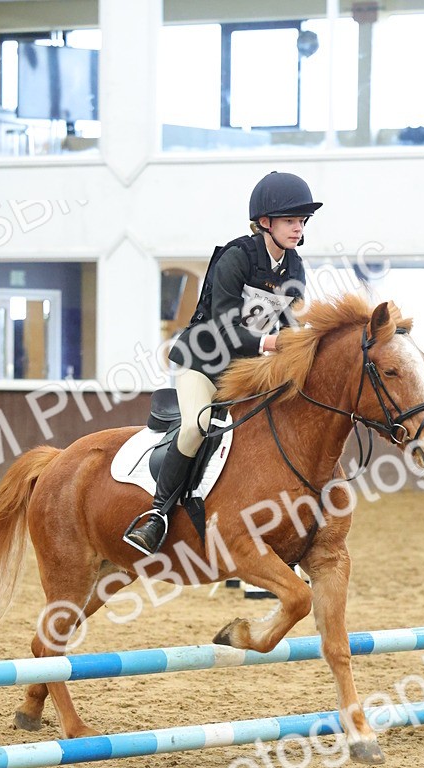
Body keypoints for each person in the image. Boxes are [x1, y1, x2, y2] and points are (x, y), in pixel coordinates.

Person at [124, 170, 322, 554]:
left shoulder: (294, 267)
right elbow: (223, 327)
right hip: (203, 362)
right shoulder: (236, 257)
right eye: (290, 221)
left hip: (246, 368)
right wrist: (272, 341)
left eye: (302, 221)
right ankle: (157, 515)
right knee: (196, 427)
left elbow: (291, 321)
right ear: (265, 222)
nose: (298, 228)